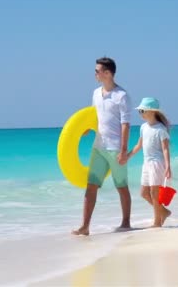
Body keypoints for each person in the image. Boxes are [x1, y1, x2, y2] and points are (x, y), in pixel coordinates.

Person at [71, 57, 132, 236]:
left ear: (107, 73)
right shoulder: (96, 93)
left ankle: (126, 222)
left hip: (115, 148)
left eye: (97, 71)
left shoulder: (122, 96)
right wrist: (83, 131)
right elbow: (93, 117)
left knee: (121, 186)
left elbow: (125, 124)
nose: (95, 74)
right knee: (91, 185)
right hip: (98, 146)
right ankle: (85, 226)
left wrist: (123, 151)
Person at [127, 97, 173, 227]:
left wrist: (168, 166)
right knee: (144, 193)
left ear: (152, 111)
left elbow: (165, 149)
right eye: (140, 111)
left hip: (157, 163)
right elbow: (138, 145)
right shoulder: (143, 127)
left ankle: (157, 222)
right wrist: (127, 156)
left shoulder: (160, 129)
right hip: (146, 163)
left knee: (154, 193)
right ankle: (163, 212)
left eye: (142, 110)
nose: (140, 113)